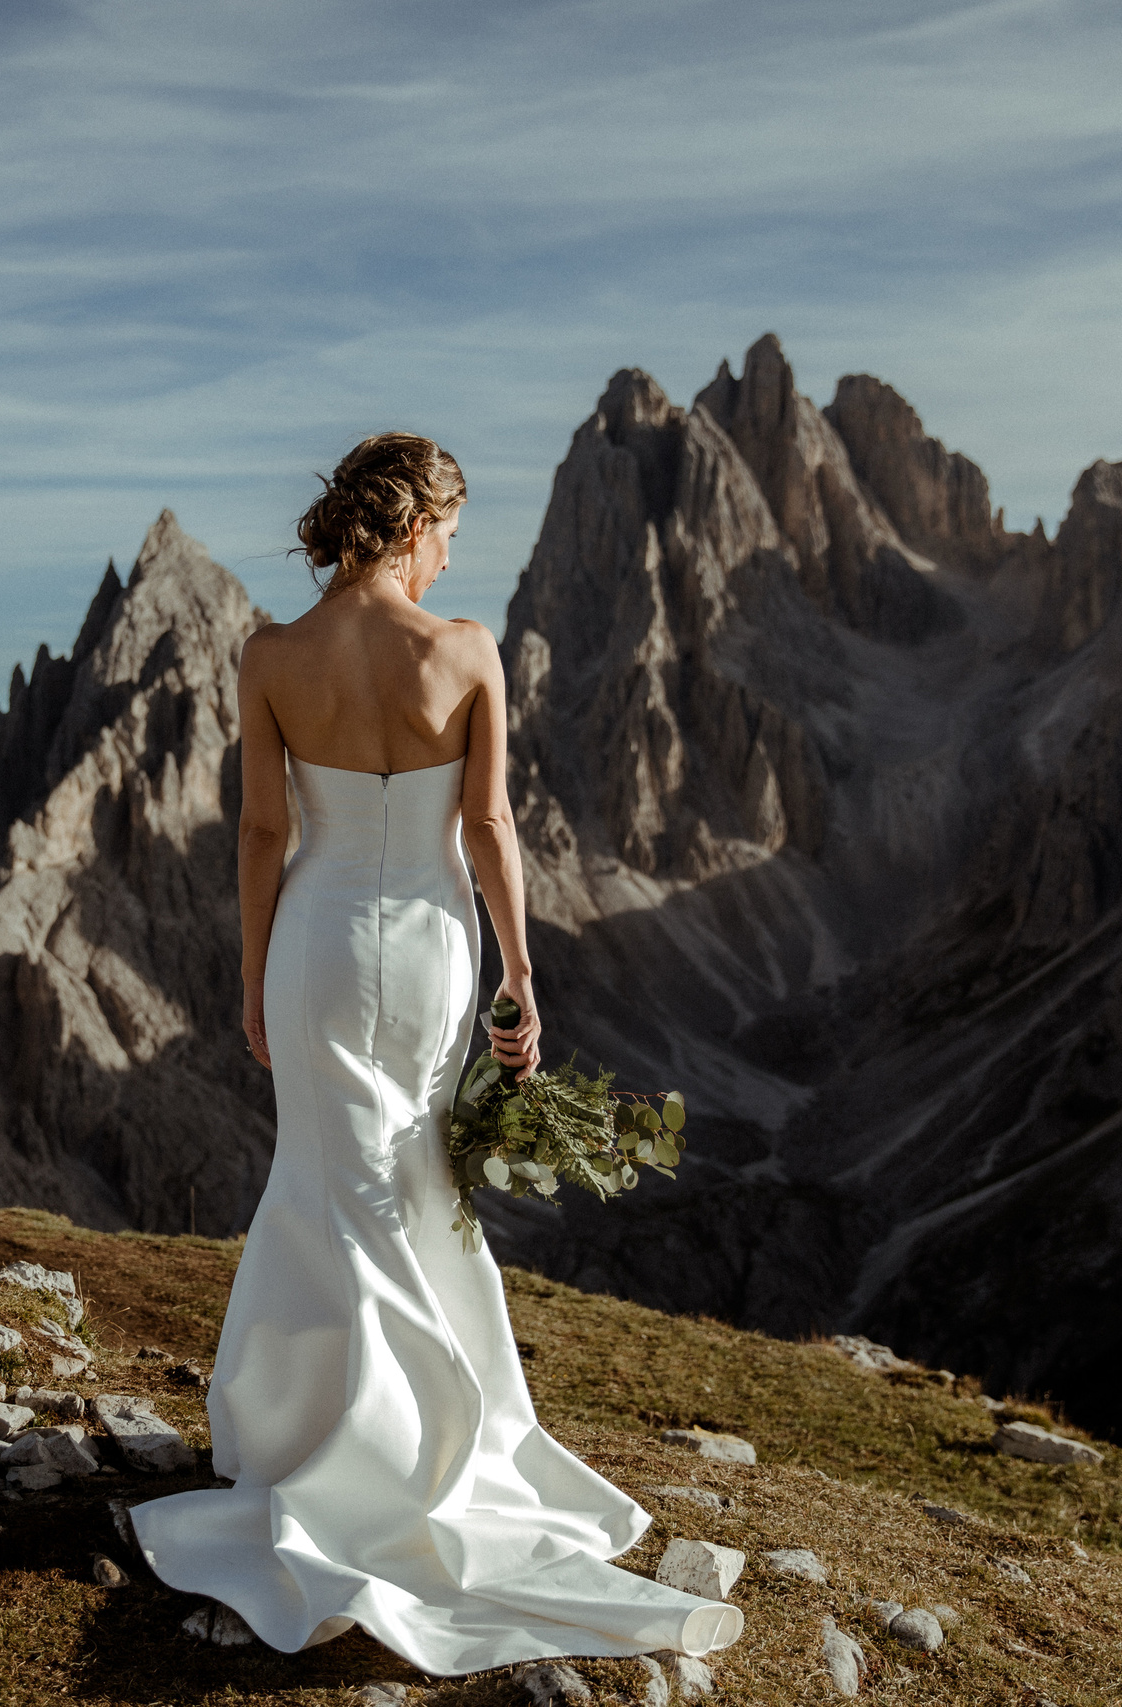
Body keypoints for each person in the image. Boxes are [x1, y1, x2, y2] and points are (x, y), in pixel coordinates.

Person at [126, 435, 744, 1674]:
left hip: (309, 939)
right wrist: (519, 970)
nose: (456, 552)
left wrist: (250, 974)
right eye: (452, 528)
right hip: (426, 945)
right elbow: (491, 822)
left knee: (327, 1173)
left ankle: (330, 1438)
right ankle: (434, 1438)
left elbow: (259, 828)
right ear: (413, 527)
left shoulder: (270, 657)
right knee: (409, 1176)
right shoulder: (462, 650)